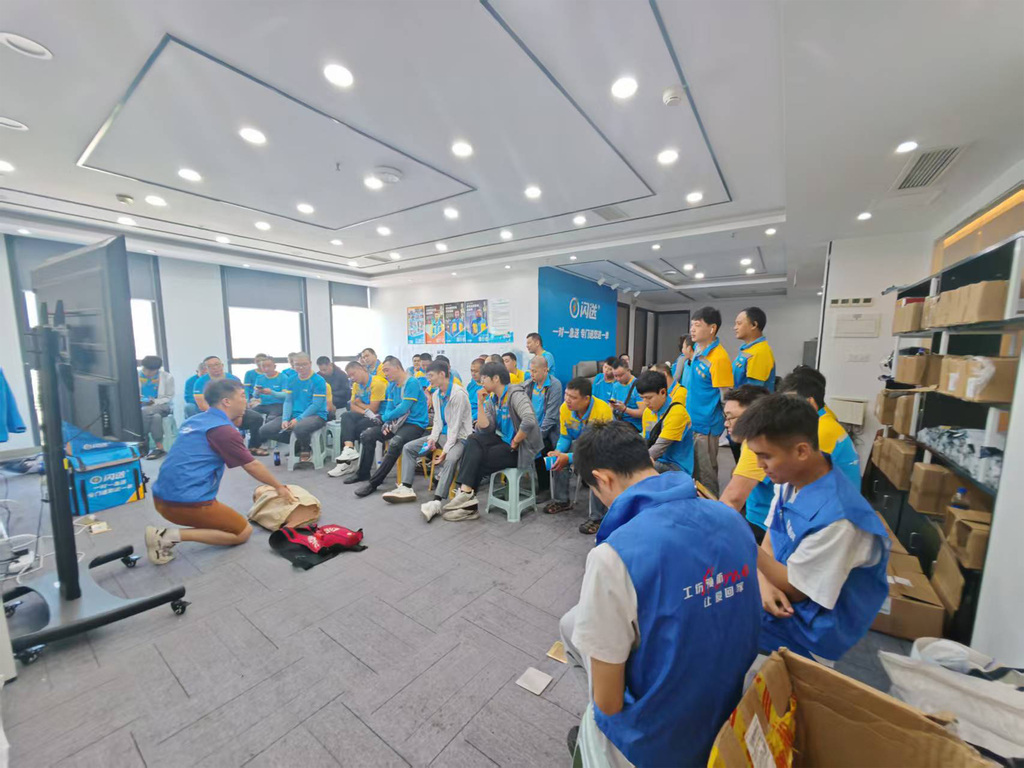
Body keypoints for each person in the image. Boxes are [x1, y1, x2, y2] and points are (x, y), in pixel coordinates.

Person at [559, 420, 760, 767]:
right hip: (732, 706)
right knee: (572, 623)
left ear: (603, 479)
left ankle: (598, 743)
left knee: (585, 658)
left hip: (660, 742)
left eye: (596, 491)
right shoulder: (730, 518)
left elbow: (609, 702)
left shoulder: (615, 555)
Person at [733, 394, 888, 665]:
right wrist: (763, 581)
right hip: (782, 588)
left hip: (811, 628)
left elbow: (796, 589)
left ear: (802, 451)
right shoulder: (789, 477)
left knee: (719, 626)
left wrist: (741, 542)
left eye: (765, 456)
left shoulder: (840, 521)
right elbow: (773, 533)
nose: (759, 465)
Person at [146, 378, 296, 565]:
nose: (246, 400)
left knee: (227, 519)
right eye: (242, 396)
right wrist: (279, 487)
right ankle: (166, 536)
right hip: (184, 504)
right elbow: (252, 465)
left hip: (161, 495)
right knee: (242, 532)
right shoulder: (222, 430)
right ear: (227, 401)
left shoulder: (194, 421)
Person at [443, 361, 541, 520]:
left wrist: (516, 441)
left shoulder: (516, 394)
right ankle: (466, 495)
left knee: (477, 459)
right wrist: (480, 403)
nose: (481, 381)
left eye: (484, 378)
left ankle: (468, 503)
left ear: (496, 378)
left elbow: (529, 420)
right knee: (473, 439)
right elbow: (485, 428)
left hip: (520, 449)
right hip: (504, 443)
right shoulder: (493, 399)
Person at [388, 361, 473, 520]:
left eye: (431, 376)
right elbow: (438, 423)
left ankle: (437, 501)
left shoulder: (459, 394)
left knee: (451, 459)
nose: (429, 380)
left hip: (460, 438)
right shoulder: (436, 394)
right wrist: (432, 439)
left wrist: (445, 451)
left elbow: (454, 428)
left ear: (442, 374)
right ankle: (406, 487)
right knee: (409, 448)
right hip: (442, 436)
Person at [345, 356, 429, 497]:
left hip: (414, 424)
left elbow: (404, 407)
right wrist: (387, 421)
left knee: (395, 443)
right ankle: (363, 473)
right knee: (368, 435)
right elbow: (390, 407)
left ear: (397, 367)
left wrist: (384, 418)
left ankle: (374, 483)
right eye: (383, 371)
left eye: (387, 370)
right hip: (397, 422)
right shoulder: (391, 386)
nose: (385, 374)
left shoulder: (412, 382)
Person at [544, 376, 613, 532]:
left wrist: (568, 457)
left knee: (598, 470)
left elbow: (598, 447)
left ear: (586, 399)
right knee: (557, 460)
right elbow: (565, 436)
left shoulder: (602, 411)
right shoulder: (564, 409)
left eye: (573, 397)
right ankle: (562, 501)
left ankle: (598, 517)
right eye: (566, 395)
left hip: (603, 450)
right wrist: (559, 451)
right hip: (581, 446)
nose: (567, 400)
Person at [778, 366, 860, 489]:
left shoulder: (822, 430)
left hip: (836, 498)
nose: (785, 411)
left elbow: (800, 475)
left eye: (791, 404)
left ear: (811, 403)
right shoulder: (820, 420)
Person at [687, 306, 734, 496]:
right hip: (693, 421)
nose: (692, 329)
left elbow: (726, 398)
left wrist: (727, 423)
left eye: (697, 325)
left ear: (712, 328)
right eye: (692, 325)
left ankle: (711, 506)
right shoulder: (699, 350)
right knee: (695, 471)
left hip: (706, 426)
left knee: (706, 475)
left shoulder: (719, 358)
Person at [719, 385, 772, 543]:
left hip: (762, 526)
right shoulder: (768, 435)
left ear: (751, 416)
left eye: (730, 417)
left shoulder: (755, 443)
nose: (726, 424)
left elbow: (733, 499)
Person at [258, 353, 327, 462]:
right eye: (297, 364)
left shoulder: (318, 380)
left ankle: (305, 448)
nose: (301, 367)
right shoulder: (291, 379)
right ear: (293, 365)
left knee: (299, 427)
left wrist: (298, 419)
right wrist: (285, 419)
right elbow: (288, 401)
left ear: (310, 364)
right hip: (294, 415)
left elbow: (316, 405)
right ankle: (298, 442)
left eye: (304, 364)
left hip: (316, 415)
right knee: (265, 430)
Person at [328, 360, 388, 476]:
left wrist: (359, 404)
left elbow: (374, 409)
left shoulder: (377, 383)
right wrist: (365, 411)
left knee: (350, 429)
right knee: (346, 416)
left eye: (353, 374)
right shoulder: (356, 385)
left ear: (362, 369)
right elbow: (351, 406)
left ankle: (348, 463)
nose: (352, 378)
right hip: (367, 415)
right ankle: (349, 450)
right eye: (349, 376)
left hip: (379, 417)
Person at [193, 355, 267, 449]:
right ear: (206, 369)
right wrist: (224, 416)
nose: (215, 367)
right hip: (212, 414)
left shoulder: (233, 379)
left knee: (256, 418)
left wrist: (239, 415)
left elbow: (242, 399)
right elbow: (202, 405)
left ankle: (254, 447)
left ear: (222, 365)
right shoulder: (200, 382)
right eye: (210, 366)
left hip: (234, 412)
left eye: (217, 364)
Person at [636, 370, 693, 475]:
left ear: (663, 392)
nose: (645, 402)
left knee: (634, 469)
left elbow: (658, 449)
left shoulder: (677, 413)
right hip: (657, 460)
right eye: (642, 398)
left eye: (649, 398)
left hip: (675, 466)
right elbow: (646, 440)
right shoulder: (648, 412)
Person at [248, 357, 289, 456]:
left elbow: (286, 395)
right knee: (251, 417)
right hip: (263, 404)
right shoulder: (260, 378)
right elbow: (255, 396)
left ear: (274, 366)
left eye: (268, 366)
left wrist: (272, 392)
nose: (266, 368)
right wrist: (257, 392)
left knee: (270, 419)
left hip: (278, 404)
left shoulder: (283, 377)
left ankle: (263, 440)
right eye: (263, 366)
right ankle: (253, 445)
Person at [138, 355, 175, 460]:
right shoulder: (135, 376)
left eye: (151, 371)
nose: (147, 373)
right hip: (142, 407)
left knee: (145, 411)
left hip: (162, 406)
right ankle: (159, 447)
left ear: (157, 370)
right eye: (145, 369)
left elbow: (169, 397)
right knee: (156, 417)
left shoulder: (167, 377)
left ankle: (142, 440)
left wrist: (154, 401)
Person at [733, 307, 776, 391]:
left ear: (754, 325)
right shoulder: (748, 350)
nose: (735, 327)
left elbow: (753, 392)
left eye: (739, 323)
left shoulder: (759, 352)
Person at [525, 355, 563, 451]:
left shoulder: (555, 385)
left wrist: (535, 438)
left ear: (545, 370)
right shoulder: (528, 384)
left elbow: (551, 418)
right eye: (530, 371)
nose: (531, 374)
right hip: (529, 431)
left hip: (546, 435)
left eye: (534, 371)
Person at [610, 358, 643, 432]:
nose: (618, 379)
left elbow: (642, 413)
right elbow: (611, 406)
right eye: (615, 376)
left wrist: (625, 409)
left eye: (621, 375)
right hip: (619, 421)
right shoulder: (616, 386)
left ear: (628, 370)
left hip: (634, 425)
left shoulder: (638, 386)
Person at [465, 358, 484, 423]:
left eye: (476, 371)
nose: (473, 374)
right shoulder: (470, 385)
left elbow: (485, 409)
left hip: (475, 418)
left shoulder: (486, 388)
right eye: (472, 371)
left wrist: (471, 418)